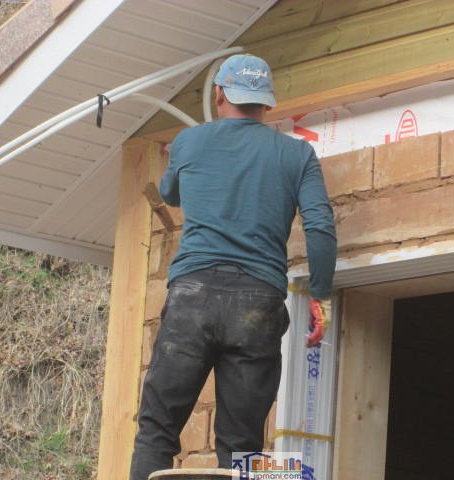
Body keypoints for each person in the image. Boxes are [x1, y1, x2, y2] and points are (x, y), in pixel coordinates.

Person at [129, 54, 337, 480]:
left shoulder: (190, 142)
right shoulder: (297, 154)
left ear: (219, 94)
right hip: (258, 305)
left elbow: (170, 192)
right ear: (266, 102)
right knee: (242, 448)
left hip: (191, 298)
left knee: (156, 431)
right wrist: (320, 295)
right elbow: (319, 227)